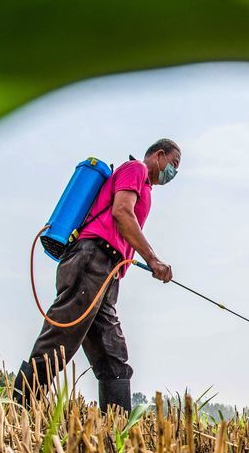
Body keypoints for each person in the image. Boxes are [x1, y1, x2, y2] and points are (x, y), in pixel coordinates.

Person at [13, 138, 181, 411]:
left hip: (107, 273)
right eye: (173, 164)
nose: (173, 172)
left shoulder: (145, 186)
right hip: (93, 259)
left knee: (113, 357)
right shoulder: (135, 169)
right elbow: (122, 212)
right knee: (60, 339)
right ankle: (17, 409)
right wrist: (153, 259)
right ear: (159, 156)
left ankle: (117, 435)